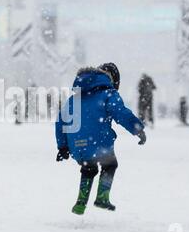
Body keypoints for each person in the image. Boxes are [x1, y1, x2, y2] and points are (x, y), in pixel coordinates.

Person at [55, 63, 146, 215]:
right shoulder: (108, 94)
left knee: (88, 167)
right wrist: (137, 129)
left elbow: (61, 122)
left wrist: (62, 147)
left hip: (77, 145)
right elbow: (121, 113)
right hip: (98, 143)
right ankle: (102, 197)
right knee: (110, 164)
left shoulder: (74, 98)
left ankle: (81, 202)